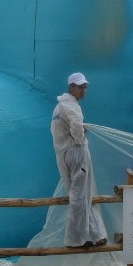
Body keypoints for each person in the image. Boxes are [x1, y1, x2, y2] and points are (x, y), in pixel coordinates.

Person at [51, 72, 108, 248]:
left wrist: (78, 133)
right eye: (80, 87)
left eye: (85, 87)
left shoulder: (58, 108)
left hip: (63, 154)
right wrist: (80, 140)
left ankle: (97, 234)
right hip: (76, 152)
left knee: (80, 194)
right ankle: (75, 239)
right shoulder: (72, 106)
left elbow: (61, 130)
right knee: (81, 194)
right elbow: (76, 125)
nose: (83, 90)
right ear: (71, 87)